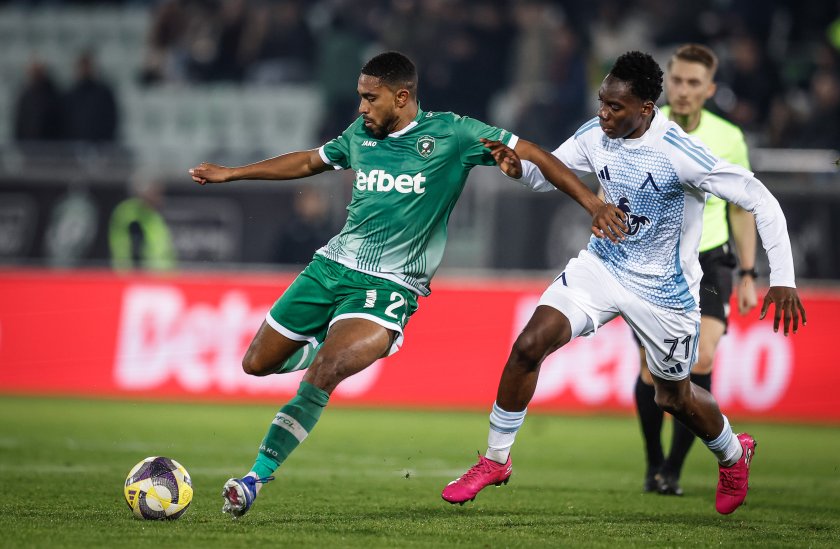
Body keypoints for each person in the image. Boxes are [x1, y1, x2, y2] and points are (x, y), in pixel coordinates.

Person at [188, 51, 625, 519]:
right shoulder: (360, 135)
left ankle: (254, 478)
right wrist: (233, 173)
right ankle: (323, 344)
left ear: (401, 98)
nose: (361, 107)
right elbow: (310, 162)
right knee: (256, 363)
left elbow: (534, 153)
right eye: (360, 97)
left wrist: (592, 205)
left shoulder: (454, 134)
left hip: (391, 285)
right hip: (328, 269)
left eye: (370, 98)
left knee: (327, 371)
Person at [441, 51, 806, 515]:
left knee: (673, 397)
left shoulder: (679, 152)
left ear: (646, 109)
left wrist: (783, 278)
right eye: (602, 102)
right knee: (529, 345)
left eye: (615, 107)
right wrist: (520, 170)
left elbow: (760, 199)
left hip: (664, 292)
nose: (603, 113)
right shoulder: (596, 134)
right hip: (603, 267)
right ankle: (495, 460)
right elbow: (548, 173)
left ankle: (734, 454)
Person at [635, 44, 758, 497]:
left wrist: (748, 272)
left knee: (701, 359)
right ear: (666, 82)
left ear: (709, 89)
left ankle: (673, 468)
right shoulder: (644, 127)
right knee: (651, 372)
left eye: (693, 83)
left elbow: (741, 207)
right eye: (677, 81)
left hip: (709, 259)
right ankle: (653, 462)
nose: (683, 90)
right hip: (655, 258)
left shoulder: (729, 138)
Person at [109, 176, 177, 271]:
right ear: (143, 193)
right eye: (156, 193)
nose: (160, 198)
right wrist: (125, 270)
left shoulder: (153, 214)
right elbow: (122, 247)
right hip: (138, 274)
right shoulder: (128, 213)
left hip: (160, 273)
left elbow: (163, 248)